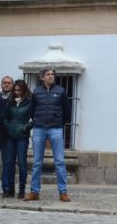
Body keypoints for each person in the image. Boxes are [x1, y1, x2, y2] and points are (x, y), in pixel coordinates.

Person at [24, 68, 72, 202]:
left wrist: (59, 123)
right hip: (39, 129)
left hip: (56, 129)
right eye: (48, 75)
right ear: (42, 77)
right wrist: (38, 121)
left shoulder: (61, 91)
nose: (51, 77)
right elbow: (31, 111)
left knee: (60, 162)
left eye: (52, 75)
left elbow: (67, 112)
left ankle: (63, 192)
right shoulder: (36, 92)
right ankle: (34, 191)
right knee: (37, 162)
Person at [3, 80, 33, 199]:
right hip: (9, 135)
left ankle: (22, 189)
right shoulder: (9, 102)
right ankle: (10, 189)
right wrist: (7, 126)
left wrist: (25, 128)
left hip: (22, 135)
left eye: (19, 90)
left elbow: (34, 119)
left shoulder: (30, 102)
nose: (16, 92)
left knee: (22, 163)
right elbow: (4, 117)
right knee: (9, 162)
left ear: (24, 90)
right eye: (15, 90)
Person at [0, 75, 14, 194]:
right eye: (4, 83)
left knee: (7, 162)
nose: (6, 84)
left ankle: (6, 187)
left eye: (9, 83)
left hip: (8, 134)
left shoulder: (15, 98)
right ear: (1, 85)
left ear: (12, 85)